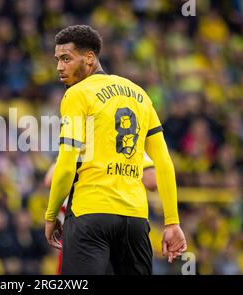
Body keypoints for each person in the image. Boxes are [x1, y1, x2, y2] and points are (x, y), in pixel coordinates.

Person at [44, 25, 186, 275]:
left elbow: (66, 163)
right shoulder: (140, 95)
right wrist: (172, 222)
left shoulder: (77, 94)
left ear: (89, 58)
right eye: (57, 60)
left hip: (91, 215)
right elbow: (163, 161)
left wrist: (51, 214)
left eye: (66, 58)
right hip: (135, 221)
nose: (59, 67)